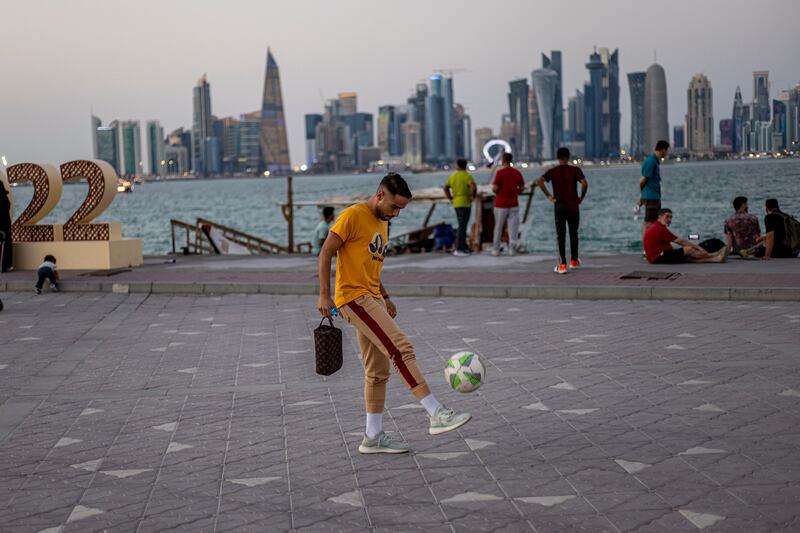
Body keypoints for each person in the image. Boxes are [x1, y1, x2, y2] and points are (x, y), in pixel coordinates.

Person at [317, 173, 471, 454]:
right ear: (380, 196)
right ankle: (436, 412)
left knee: (377, 372)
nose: (397, 214)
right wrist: (325, 295)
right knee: (401, 348)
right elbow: (326, 253)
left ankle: (372, 437)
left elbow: (369, 265)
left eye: (401, 209)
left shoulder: (383, 222)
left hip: (372, 297)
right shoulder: (353, 216)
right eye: (394, 207)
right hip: (353, 298)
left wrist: (385, 297)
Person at [537, 147, 588, 274]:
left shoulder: (553, 171)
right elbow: (584, 183)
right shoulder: (575, 170)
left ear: (558, 157)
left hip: (559, 206)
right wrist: (581, 197)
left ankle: (562, 265)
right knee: (573, 233)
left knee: (561, 235)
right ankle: (574, 261)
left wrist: (549, 196)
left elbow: (540, 181)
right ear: (568, 157)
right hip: (573, 206)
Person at [644, 209, 727, 264]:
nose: (669, 219)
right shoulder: (659, 228)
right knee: (688, 249)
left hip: (658, 256)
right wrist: (699, 248)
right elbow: (681, 242)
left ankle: (716, 259)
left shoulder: (657, 226)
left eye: (671, 217)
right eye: (667, 216)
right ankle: (713, 255)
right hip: (658, 257)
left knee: (688, 257)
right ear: (660, 217)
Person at [491, 152, 526, 256]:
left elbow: (495, 188)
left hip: (501, 204)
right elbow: (522, 187)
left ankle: (496, 250)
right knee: (513, 228)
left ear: (502, 161)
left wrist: (496, 191)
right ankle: (512, 250)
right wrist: (516, 192)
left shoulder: (500, 173)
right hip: (514, 204)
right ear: (511, 160)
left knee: (498, 227)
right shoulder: (517, 172)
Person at [443, 159, 477, 256]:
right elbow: (473, 186)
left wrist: (450, 197)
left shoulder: (453, 176)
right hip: (466, 203)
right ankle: (459, 249)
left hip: (456, 203)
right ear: (465, 166)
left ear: (457, 165)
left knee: (462, 225)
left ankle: (463, 247)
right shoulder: (467, 176)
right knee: (462, 226)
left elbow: (445, 187)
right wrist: (472, 196)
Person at [639, 140, 670, 241]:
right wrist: (642, 196)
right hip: (651, 197)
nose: (667, 153)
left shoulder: (655, 161)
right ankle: (646, 248)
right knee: (649, 223)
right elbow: (642, 181)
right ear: (663, 150)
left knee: (654, 223)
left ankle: (651, 245)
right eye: (666, 151)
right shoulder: (651, 161)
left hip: (654, 197)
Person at [0, 181, 12, 273]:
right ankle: (5, 265)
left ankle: (4, 266)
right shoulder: (5, 200)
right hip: (5, 227)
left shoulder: (3, 201)